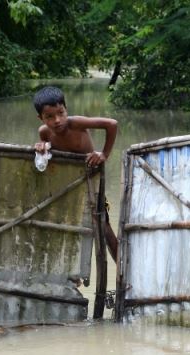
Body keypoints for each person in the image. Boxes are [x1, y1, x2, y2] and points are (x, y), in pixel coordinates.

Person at [33, 85, 118, 262]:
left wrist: (103, 154)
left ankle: (122, 269)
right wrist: (41, 148)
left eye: (61, 113)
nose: (57, 120)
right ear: (40, 118)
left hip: (91, 181)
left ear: (66, 110)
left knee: (104, 226)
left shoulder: (76, 123)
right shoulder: (44, 132)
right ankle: (73, 272)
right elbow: (47, 155)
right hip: (68, 185)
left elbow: (112, 124)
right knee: (69, 225)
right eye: (49, 117)